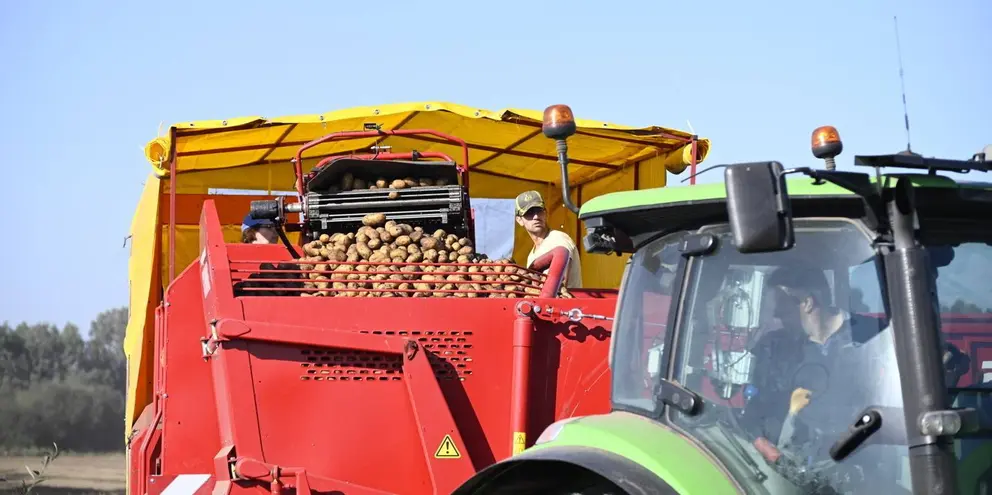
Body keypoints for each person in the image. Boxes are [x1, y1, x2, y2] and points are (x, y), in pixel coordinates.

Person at [513, 190, 583, 289]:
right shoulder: (531, 256)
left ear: (545, 213)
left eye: (539, 211)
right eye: (529, 213)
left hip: (566, 304)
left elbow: (561, 288)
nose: (536, 216)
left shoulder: (558, 239)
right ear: (519, 220)